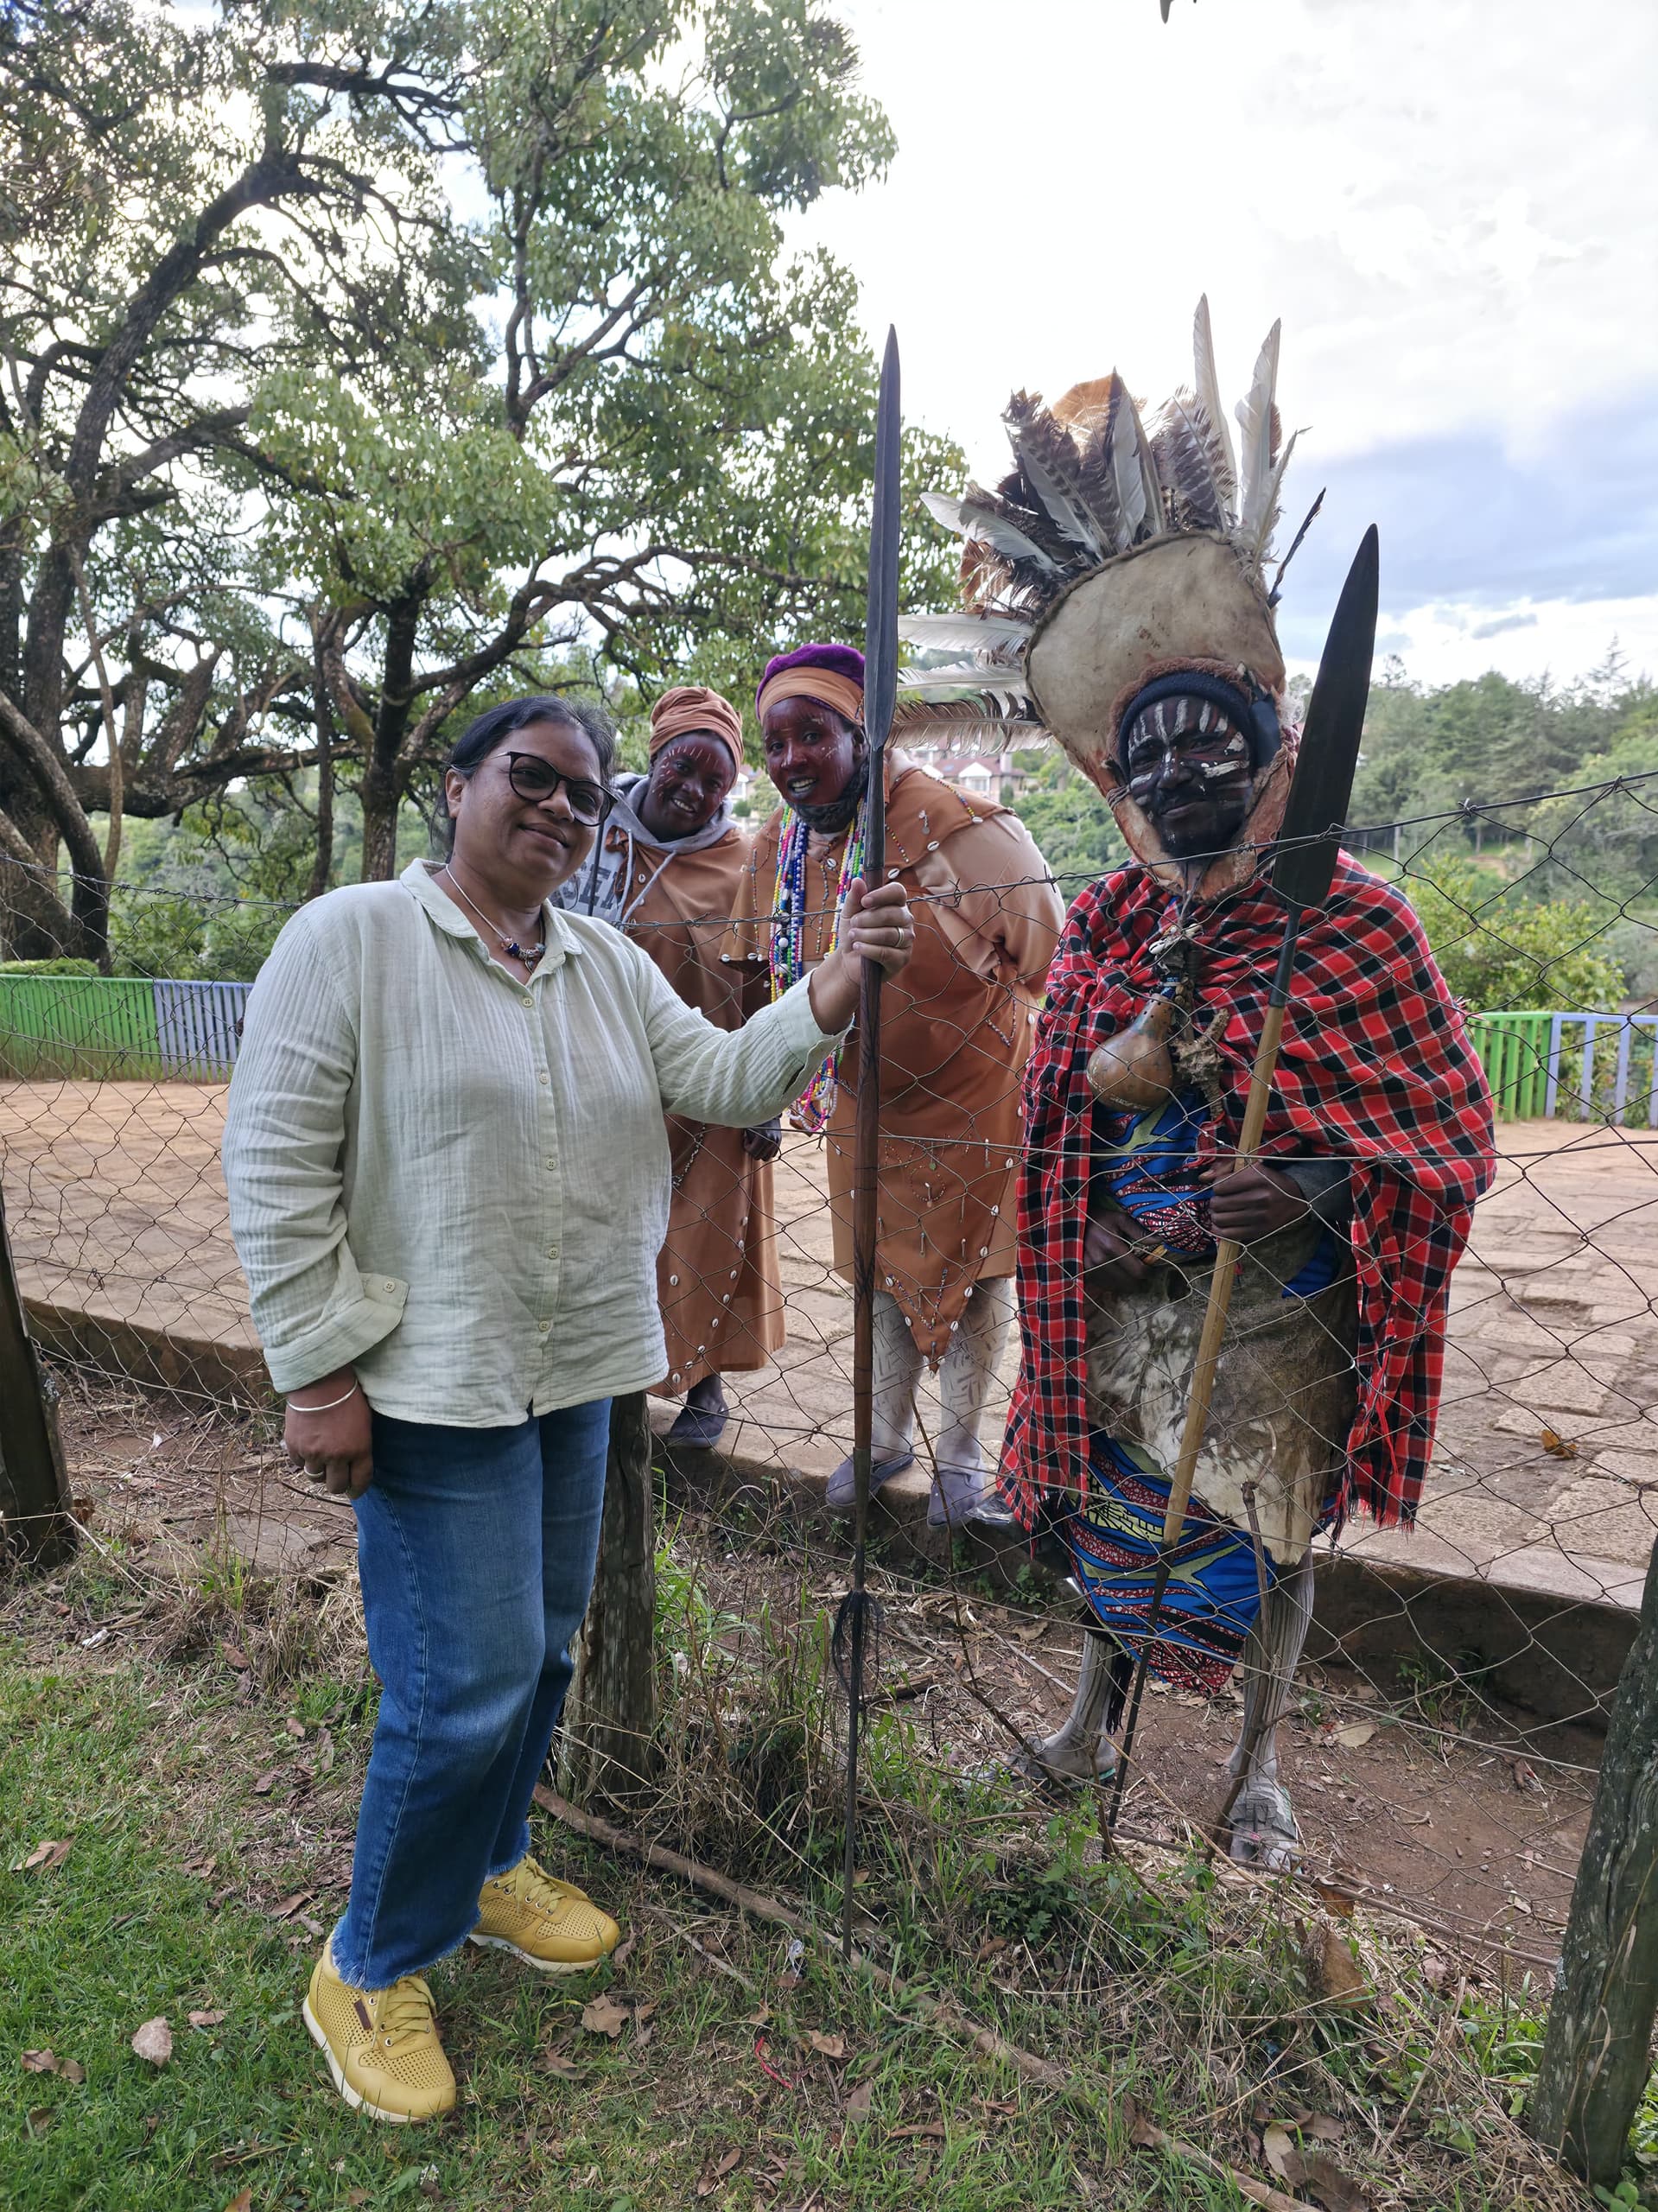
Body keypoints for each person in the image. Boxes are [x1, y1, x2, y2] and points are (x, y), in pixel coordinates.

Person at [221, 693, 915, 2122]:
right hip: (435, 1381)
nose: (560, 808)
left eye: (586, 796)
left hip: (579, 1373)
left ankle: (488, 1867)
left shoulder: (600, 963)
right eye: (530, 776)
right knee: (456, 1688)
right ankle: (370, 1963)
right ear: (459, 784)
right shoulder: (351, 939)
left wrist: (840, 975)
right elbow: (276, 1163)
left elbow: (719, 1075)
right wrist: (317, 1375)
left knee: (539, 1655)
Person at [908, 303, 1496, 1864]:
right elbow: (1054, 1108)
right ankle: (1090, 1722)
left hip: (1277, 1307)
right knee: (1114, 1515)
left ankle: (1258, 1765)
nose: (1174, 776)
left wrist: (1299, 1184)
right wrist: (1099, 1216)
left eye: (1205, 747)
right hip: (1118, 1291)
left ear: (1266, 753)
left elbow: (1446, 1129)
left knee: (1264, 1532)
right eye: (1146, 756)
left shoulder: (1353, 924)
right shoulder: (1112, 921)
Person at [725, 643, 1064, 1528]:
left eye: (814, 734)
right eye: (776, 742)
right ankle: (882, 1437)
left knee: (979, 1272)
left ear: (862, 734)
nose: (793, 758)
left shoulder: (966, 830)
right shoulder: (775, 851)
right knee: (875, 1270)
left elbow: (1045, 955)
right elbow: (763, 973)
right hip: (864, 1104)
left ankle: (961, 1452)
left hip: (976, 1094)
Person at [554, 684, 782, 1449]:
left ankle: (704, 1387)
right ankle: (602, 1387)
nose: (694, 790)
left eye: (716, 781)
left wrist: (765, 1098)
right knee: (599, 1231)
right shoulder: (587, 828)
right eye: (683, 767)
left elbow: (763, 981)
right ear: (654, 757)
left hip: (705, 1079)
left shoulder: (744, 863)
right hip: (590, 1066)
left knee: (702, 1234)